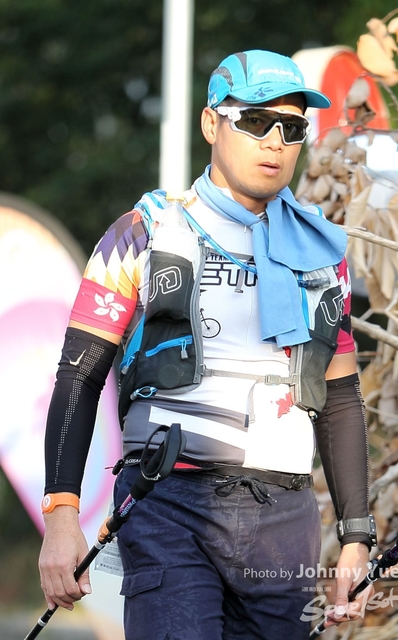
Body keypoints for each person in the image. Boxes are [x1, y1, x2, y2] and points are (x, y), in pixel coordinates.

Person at [39, 49, 376, 640]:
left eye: (293, 127)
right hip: (167, 505)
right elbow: (79, 376)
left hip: (285, 520)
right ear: (211, 124)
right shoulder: (141, 231)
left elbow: (341, 399)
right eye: (256, 121)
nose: (275, 141)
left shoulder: (324, 254)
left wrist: (356, 537)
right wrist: (61, 516)